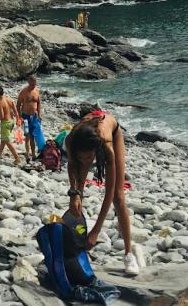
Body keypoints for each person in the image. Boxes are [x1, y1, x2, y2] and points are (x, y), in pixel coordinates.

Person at [64, 107, 139, 276]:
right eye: (82, 158)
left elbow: (110, 193)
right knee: (77, 196)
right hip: (84, 139)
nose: (86, 162)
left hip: (112, 132)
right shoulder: (71, 140)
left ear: (95, 153)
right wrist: (74, 193)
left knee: (119, 198)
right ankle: (78, 243)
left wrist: (96, 231)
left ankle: (128, 254)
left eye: (89, 158)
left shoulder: (105, 146)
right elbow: (72, 165)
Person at [0, 85, 22, 164]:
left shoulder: (0, 103)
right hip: (11, 122)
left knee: (7, 141)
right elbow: (16, 111)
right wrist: (18, 119)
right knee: (4, 139)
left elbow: (1, 116)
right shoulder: (10, 99)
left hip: (5, 123)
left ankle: (17, 158)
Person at [18, 76, 44, 162]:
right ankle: (27, 153)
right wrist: (19, 116)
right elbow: (18, 105)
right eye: (32, 84)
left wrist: (39, 114)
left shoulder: (36, 91)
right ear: (28, 82)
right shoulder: (24, 92)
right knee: (27, 136)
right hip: (25, 117)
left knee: (33, 136)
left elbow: (39, 102)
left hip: (34, 117)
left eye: (35, 84)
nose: (33, 86)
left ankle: (33, 154)